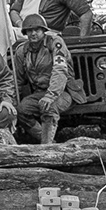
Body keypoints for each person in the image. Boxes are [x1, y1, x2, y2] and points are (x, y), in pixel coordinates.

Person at [11, 14, 73, 144]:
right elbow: (18, 79)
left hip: (63, 92)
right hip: (39, 93)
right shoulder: (22, 51)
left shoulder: (55, 43)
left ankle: (46, 147)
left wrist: (51, 95)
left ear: (43, 30)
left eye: (37, 30)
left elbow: (60, 70)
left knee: (49, 107)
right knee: (21, 110)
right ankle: (48, 141)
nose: (33, 33)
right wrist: (11, 100)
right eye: (29, 30)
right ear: (25, 33)